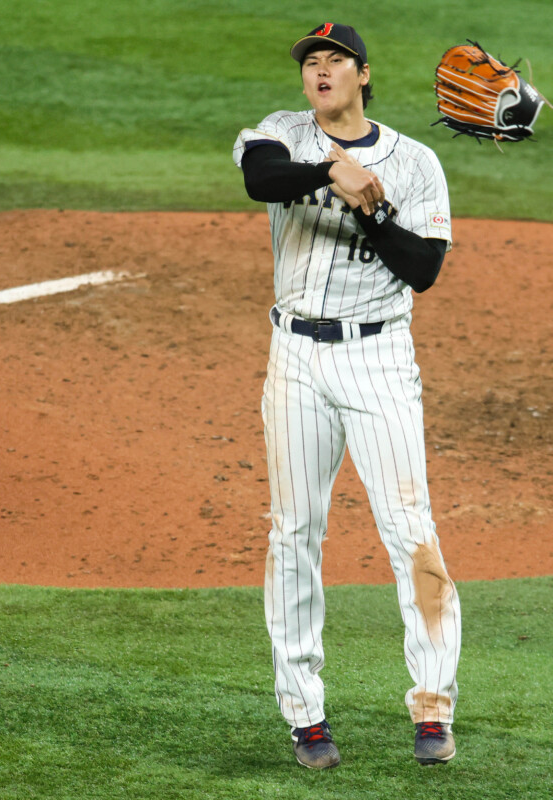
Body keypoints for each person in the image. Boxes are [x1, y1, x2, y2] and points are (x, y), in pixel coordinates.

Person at [232, 22, 462, 769]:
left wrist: (374, 206)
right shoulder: (280, 134)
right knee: (293, 532)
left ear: (364, 75)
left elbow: (421, 270)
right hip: (295, 356)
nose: (320, 72)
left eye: (335, 62)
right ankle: (305, 717)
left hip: (378, 360)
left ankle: (433, 709)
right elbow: (261, 180)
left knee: (410, 529)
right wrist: (335, 175)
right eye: (311, 64)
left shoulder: (416, 162)